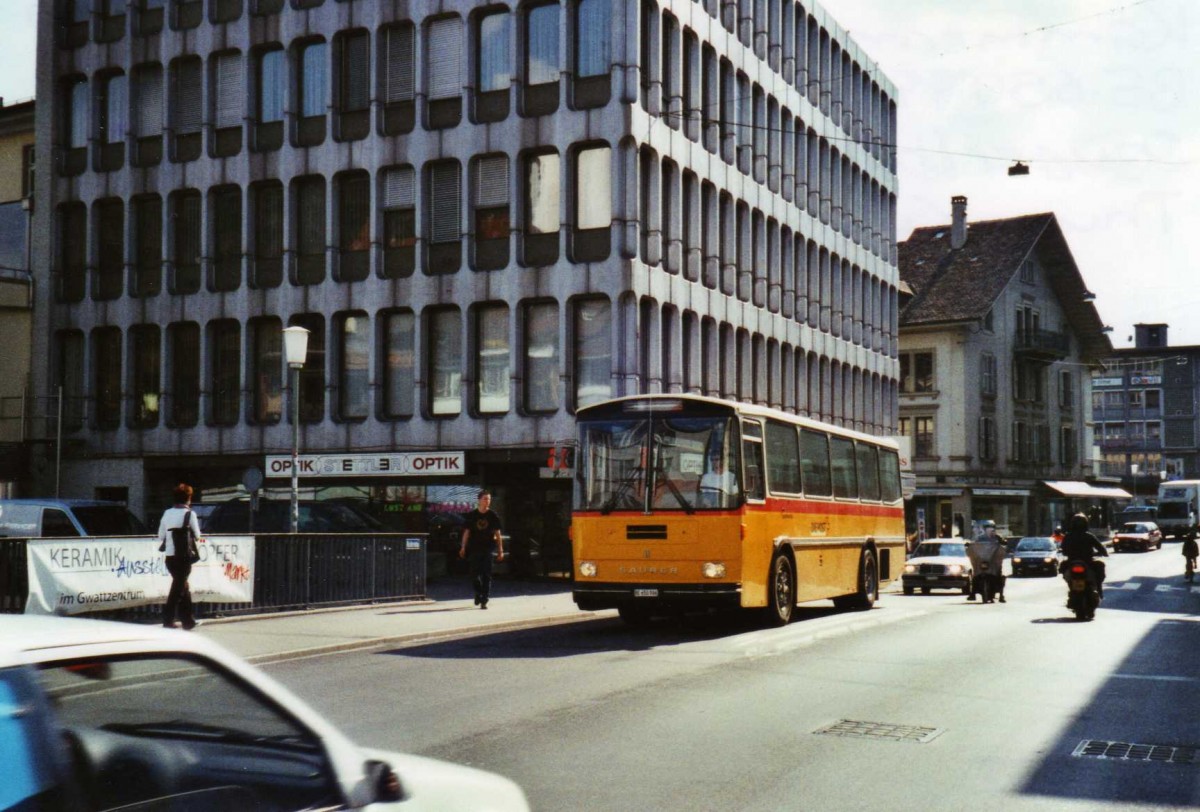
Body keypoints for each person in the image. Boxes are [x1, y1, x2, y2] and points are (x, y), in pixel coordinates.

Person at [157, 483, 204, 630]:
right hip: (184, 557)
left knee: (183, 586)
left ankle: (188, 621)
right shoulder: (190, 514)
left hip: (170, 557)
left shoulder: (166, 513)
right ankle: (168, 620)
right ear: (188, 498)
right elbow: (197, 535)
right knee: (178, 588)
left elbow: (160, 536)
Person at [459, 490, 505, 610]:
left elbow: (498, 534)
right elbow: (466, 533)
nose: (487, 501)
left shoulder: (493, 516)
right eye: (485, 498)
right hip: (474, 548)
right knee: (474, 574)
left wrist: (500, 549)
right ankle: (478, 593)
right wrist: (463, 546)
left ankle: (484, 600)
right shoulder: (472, 515)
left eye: (489, 499)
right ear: (479, 500)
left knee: (487, 575)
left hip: (488, 548)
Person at [1059, 513, 1109, 597]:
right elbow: (1101, 548)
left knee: (1063, 567)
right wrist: (1103, 552)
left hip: (1072, 561)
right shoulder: (1089, 536)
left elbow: (1063, 549)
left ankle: (1096, 588)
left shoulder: (1068, 536)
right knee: (1100, 566)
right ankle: (1099, 589)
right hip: (1087, 561)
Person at [966, 519, 1007, 603]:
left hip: (993, 561)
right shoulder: (980, 538)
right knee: (974, 574)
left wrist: (1003, 543)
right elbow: (975, 546)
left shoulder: (997, 537)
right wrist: (970, 545)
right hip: (982, 559)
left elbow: (1003, 544)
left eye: (991, 528)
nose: (989, 530)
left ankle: (1001, 594)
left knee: (1000, 574)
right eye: (987, 527)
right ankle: (972, 593)